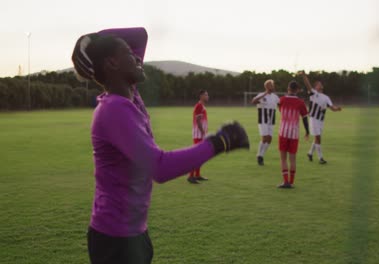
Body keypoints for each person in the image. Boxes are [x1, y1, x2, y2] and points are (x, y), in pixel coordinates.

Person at [71, 27, 249, 264]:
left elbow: (140, 35)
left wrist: (90, 39)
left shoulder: (129, 95)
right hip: (116, 240)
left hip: (132, 233)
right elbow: (159, 167)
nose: (136, 57)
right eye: (127, 53)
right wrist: (219, 142)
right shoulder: (114, 109)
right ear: (112, 64)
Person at [298, 71, 342, 164]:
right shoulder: (313, 93)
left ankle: (310, 153)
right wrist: (304, 75)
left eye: (321, 84)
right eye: (318, 84)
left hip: (321, 120)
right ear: (315, 87)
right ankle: (320, 158)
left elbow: (332, 107)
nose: (320, 85)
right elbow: (307, 84)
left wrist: (337, 109)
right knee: (318, 138)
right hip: (313, 119)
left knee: (317, 138)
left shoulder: (326, 97)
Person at [277, 80, 309, 188]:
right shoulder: (301, 102)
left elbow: (280, 110)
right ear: (297, 90)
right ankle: (291, 182)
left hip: (283, 133)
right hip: (294, 134)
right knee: (293, 159)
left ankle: (285, 181)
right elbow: (304, 118)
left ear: (288, 88)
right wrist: (307, 131)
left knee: (283, 158)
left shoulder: (281, 100)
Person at [251, 79, 280, 165]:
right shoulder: (261, 95)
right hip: (263, 120)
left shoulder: (275, 97)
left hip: (271, 121)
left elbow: (280, 105)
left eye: (273, 85)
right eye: (271, 85)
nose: (273, 86)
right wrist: (264, 94)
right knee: (265, 138)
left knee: (269, 139)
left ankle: (261, 155)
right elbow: (253, 101)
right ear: (267, 86)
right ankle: (259, 156)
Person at [188, 90, 210, 184]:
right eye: (206, 94)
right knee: (196, 155)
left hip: (200, 134)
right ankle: (190, 176)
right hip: (198, 135)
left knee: (200, 155)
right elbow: (198, 120)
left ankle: (197, 175)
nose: (207, 96)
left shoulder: (202, 106)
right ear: (201, 96)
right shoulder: (199, 106)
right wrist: (202, 132)